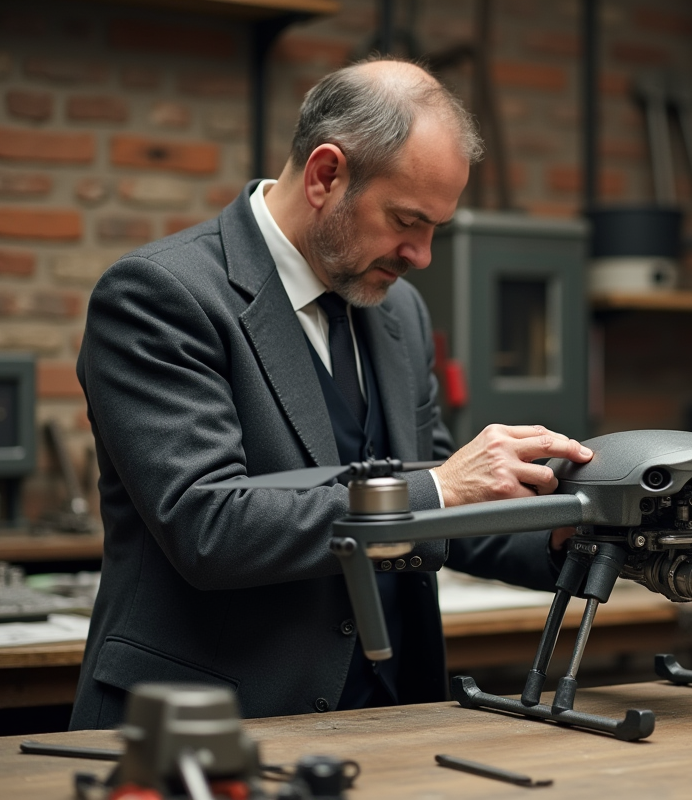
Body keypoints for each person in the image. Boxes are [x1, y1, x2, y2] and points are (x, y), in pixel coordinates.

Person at [70, 58, 591, 729]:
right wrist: (439, 488)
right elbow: (208, 526)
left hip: (390, 723)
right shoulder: (160, 296)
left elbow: (447, 515)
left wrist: (564, 535)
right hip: (209, 727)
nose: (422, 255)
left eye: (435, 227)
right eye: (406, 219)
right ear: (325, 175)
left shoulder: (399, 313)